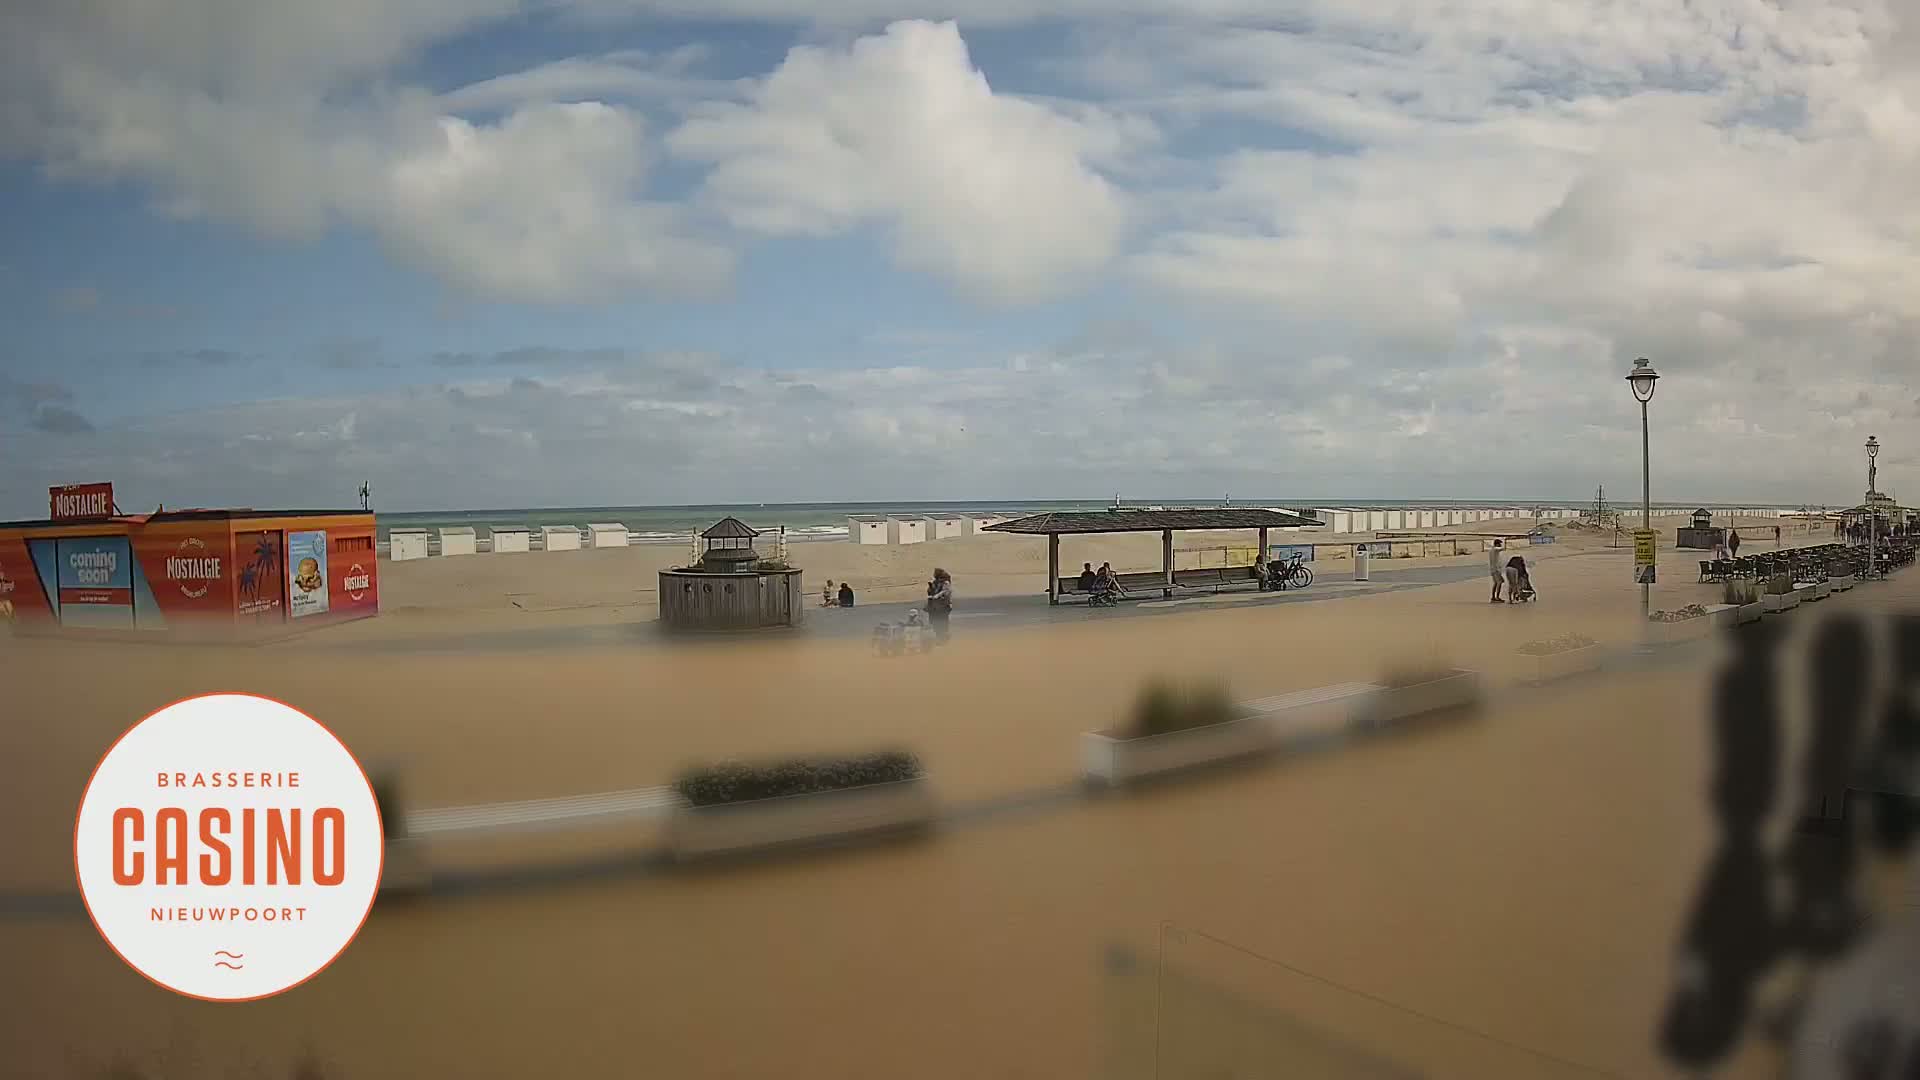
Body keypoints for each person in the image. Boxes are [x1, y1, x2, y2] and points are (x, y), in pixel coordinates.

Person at [926, 568, 953, 641]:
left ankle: (941, 635)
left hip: (943, 606)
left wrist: (937, 595)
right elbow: (930, 591)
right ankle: (938, 634)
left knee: (942, 622)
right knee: (935, 621)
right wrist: (931, 587)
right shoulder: (935, 582)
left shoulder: (946, 583)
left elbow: (945, 591)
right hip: (935, 605)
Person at [1488, 538, 1506, 602]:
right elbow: (1501, 548)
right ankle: (1497, 597)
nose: (1500, 545)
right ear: (1497, 544)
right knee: (1499, 583)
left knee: (1496, 583)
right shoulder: (1495, 550)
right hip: (1496, 570)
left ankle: (1493, 597)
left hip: (1493, 569)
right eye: (1499, 544)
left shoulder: (1491, 550)